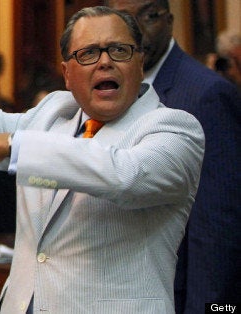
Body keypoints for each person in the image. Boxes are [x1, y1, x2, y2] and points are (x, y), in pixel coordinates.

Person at [0, 3, 204, 313]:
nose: (105, 62)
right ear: (67, 74)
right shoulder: (53, 115)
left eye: (119, 50)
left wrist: (14, 146)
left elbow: (126, 175)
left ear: (140, 62)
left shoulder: (174, 128)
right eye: (88, 54)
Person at [105, 1, 241, 312]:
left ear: (170, 20)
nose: (136, 29)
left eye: (149, 16)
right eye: (125, 18)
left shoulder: (205, 95)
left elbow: (216, 230)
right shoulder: (104, 89)